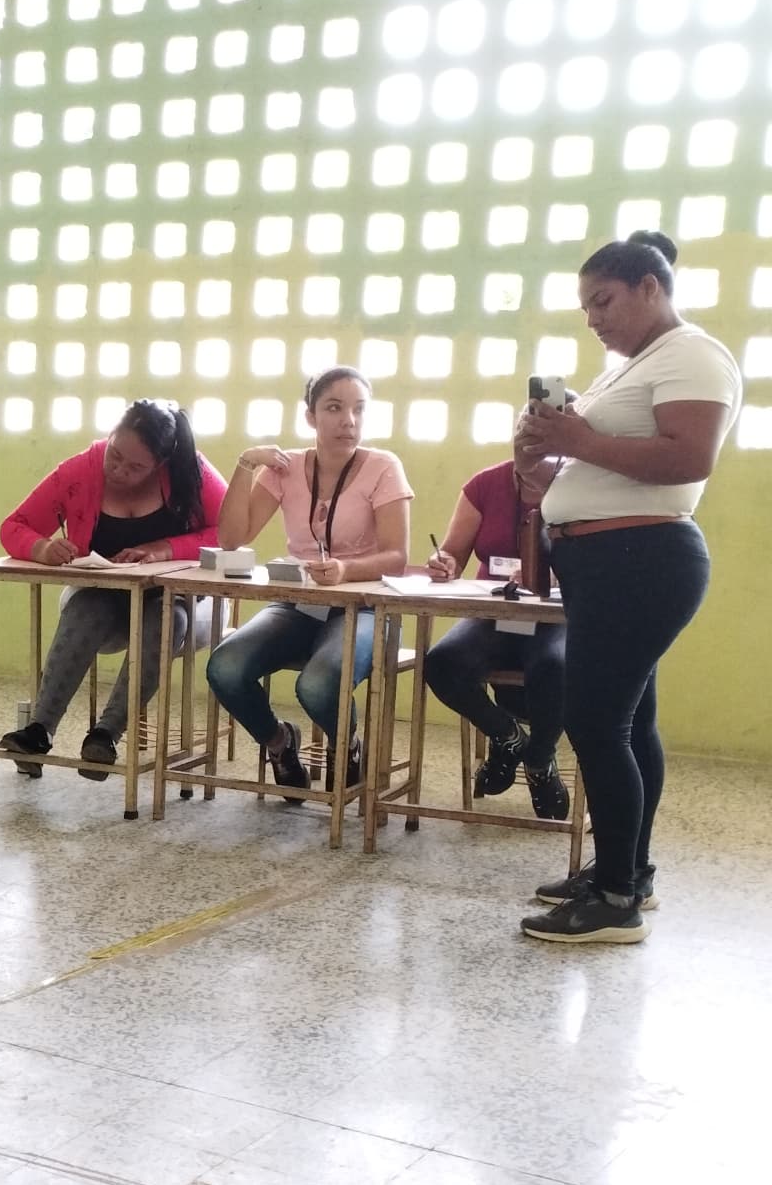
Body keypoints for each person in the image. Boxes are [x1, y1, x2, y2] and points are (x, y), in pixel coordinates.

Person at [514, 230, 741, 945]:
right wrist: (545, 465)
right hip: (607, 559)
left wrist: (578, 442)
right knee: (630, 723)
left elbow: (686, 456)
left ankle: (615, 900)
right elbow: (605, 467)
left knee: (595, 723)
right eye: (585, 307)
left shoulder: (693, 354)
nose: (593, 317)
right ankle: (627, 868)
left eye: (603, 300)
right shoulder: (630, 367)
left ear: (652, 287)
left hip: (641, 559)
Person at [0, 400, 229, 779]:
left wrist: (165, 548)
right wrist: (42, 548)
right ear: (110, 436)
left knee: (165, 618)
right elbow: (14, 526)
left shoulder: (190, 471)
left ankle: (105, 735)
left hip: (184, 603)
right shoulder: (81, 471)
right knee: (87, 608)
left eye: (136, 467)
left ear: (161, 463)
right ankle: (38, 731)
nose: (119, 470)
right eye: (115, 455)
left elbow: (230, 533)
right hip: (107, 598)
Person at [205, 367, 412, 796]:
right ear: (311, 417)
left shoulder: (383, 466)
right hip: (297, 604)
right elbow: (232, 538)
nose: (348, 421)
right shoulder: (286, 467)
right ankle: (279, 743)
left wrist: (345, 570)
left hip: (367, 607)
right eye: (334, 408)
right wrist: (246, 464)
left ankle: (347, 743)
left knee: (317, 684)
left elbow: (397, 556)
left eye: (358, 410)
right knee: (225, 667)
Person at [422, 458, 570, 820]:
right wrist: (445, 563)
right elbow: (454, 551)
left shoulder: (584, 485)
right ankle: (507, 737)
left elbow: (601, 560)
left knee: (558, 666)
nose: (532, 446)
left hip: (558, 616)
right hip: (496, 611)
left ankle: (538, 759)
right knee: (442, 664)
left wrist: (554, 572)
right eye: (524, 435)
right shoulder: (485, 484)